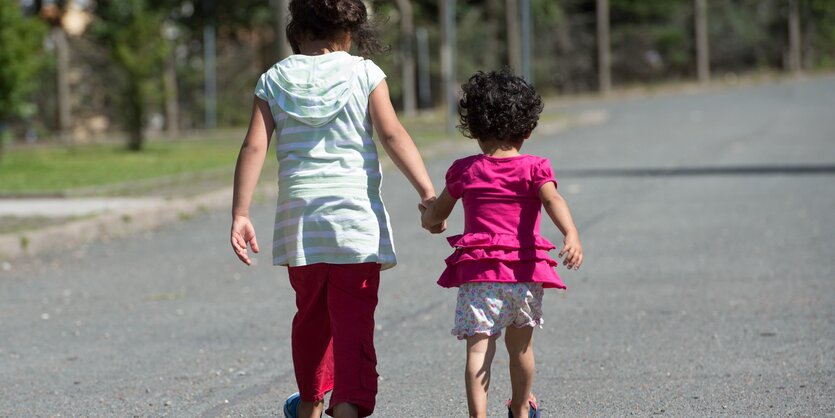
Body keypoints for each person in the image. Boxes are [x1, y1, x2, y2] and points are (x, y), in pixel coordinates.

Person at [230, 1, 439, 417]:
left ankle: (309, 402)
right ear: (350, 34)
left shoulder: (275, 77)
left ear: (298, 32)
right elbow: (392, 135)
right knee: (353, 321)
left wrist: (240, 212)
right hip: (353, 225)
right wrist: (428, 194)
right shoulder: (364, 73)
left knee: (310, 317)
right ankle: (348, 405)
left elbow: (254, 145)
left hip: (300, 226)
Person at [420, 70, 584, 418]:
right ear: (527, 129)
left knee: (478, 353)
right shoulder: (535, 168)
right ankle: (521, 410)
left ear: (474, 129)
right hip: (523, 274)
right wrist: (570, 233)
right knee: (521, 351)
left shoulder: (466, 170)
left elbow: (438, 214)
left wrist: (429, 217)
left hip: (480, 276)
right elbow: (553, 200)